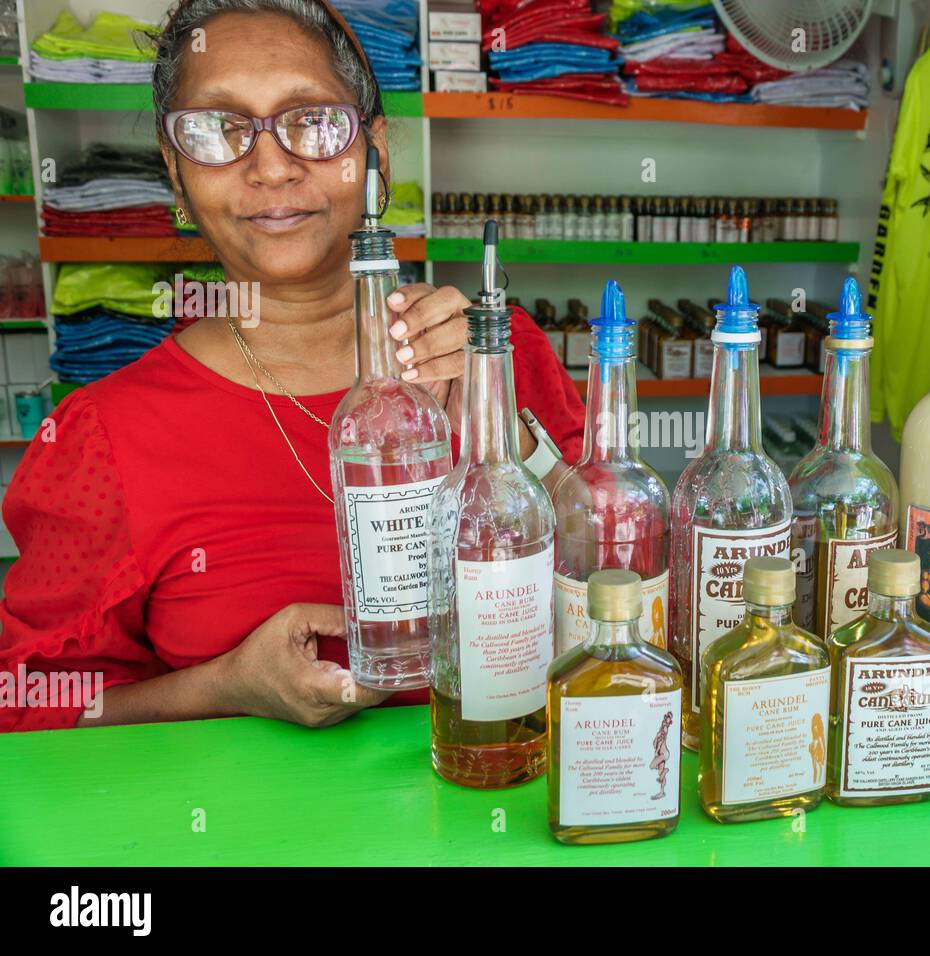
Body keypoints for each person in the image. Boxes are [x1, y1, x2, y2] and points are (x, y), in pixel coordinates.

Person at [0, 0, 585, 733]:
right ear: (176, 176)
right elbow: (26, 704)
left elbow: (621, 577)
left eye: (311, 122)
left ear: (375, 156)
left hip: (509, 816)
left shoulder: (500, 356)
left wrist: (505, 431)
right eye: (218, 129)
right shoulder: (104, 438)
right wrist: (222, 687)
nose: (271, 166)